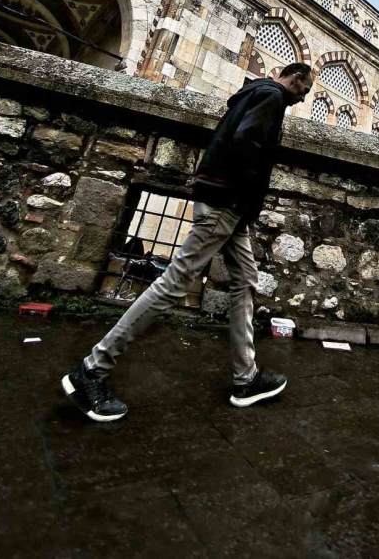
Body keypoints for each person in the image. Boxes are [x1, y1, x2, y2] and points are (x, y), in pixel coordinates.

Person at [62, 62, 314, 422]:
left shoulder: (254, 92)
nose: (302, 99)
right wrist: (243, 194)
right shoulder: (271, 96)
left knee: (245, 280)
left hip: (231, 209)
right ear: (297, 76)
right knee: (174, 282)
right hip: (226, 204)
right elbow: (246, 143)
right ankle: (93, 369)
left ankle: (246, 379)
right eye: (303, 91)